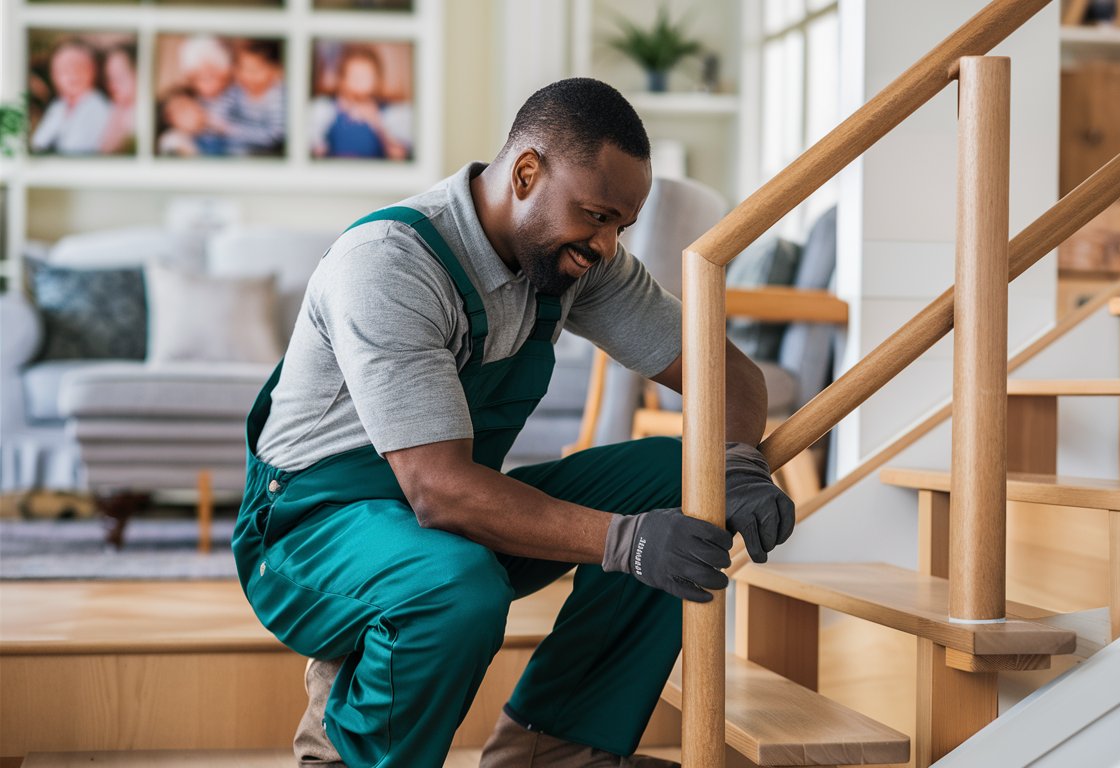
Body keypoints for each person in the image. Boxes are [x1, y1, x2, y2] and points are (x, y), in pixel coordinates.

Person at [233, 77, 794, 768]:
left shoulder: (576, 260)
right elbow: (438, 490)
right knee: (453, 586)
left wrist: (736, 464)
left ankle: (551, 753)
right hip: (309, 530)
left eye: (620, 224)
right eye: (595, 216)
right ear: (526, 172)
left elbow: (731, 377)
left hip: (439, 520)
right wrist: (628, 543)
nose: (607, 245)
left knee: (681, 477)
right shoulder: (390, 262)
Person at [309, 44, 413, 160]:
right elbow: (313, 152)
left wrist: (377, 122)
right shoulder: (326, 109)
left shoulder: (389, 114)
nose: (360, 81)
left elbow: (398, 155)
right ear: (342, 79)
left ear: (377, 80)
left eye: (366, 77)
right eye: (354, 76)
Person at [30, 38, 111, 155]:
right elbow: (38, 144)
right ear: (54, 75)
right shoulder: (58, 107)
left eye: (79, 67)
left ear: (94, 71)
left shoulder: (98, 107)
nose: (72, 74)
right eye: (63, 69)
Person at [215, 39, 285, 156]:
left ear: (275, 71)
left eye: (256, 70)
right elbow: (220, 111)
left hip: (263, 155)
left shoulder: (276, 97)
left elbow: (275, 136)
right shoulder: (237, 90)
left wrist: (234, 130)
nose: (249, 76)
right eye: (244, 69)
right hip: (233, 150)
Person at [99, 45, 137, 155]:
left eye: (120, 77)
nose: (112, 85)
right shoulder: (112, 108)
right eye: (109, 78)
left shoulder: (146, 113)